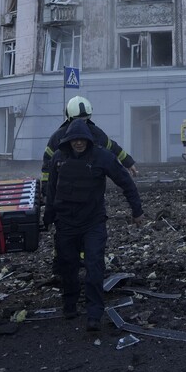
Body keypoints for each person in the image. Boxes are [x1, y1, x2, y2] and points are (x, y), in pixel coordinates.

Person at [43, 118, 144, 331]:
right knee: (67, 266)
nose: (79, 143)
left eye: (82, 139)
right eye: (74, 139)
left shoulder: (102, 157)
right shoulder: (59, 158)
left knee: (94, 265)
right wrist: (48, 217)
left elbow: (126, 182)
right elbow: (52, 189)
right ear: (68, 140)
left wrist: (137, 210)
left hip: (92, 222)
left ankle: (94, 314)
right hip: (66, 222)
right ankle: (69, 305)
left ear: (88, 140)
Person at [40, 96, 138, 200]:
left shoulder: (96, 133)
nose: (80, 124)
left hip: (90, 186)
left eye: (84, 120)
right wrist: (46, 189)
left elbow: (112, 147)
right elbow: (47, 164)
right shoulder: (58, 137)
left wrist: (128, 162)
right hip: (65, 188)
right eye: (77, 120)